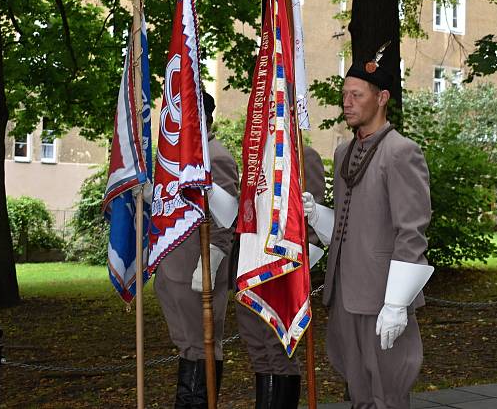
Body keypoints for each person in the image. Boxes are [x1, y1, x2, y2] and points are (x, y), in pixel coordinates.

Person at [303, 51, 433, 409]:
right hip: (345, 293)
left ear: (382, 98)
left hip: (382, 295)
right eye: (344, 95)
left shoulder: (401, 152)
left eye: (356, 95)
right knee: (359, 392)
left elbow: (412, 232)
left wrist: (396, 304)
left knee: (387, 394)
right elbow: (351, 225)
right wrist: (319, 217)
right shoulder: (345, 152)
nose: (347, 103)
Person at [154, 91, 238, 409]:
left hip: (197, 272)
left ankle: (198, 404)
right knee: (186, 345)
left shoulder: (215, 157)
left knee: (201, 346)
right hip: (173, 270)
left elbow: (225, 219)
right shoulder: (178, 158)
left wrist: (210, 261)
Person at [234, 143, 326, 409]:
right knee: (258, 349)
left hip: (283, 270)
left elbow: (312, 223)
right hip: (251, 265)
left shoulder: (303, 154)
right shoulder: (256, 154)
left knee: (279, 351)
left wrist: (297, 268)